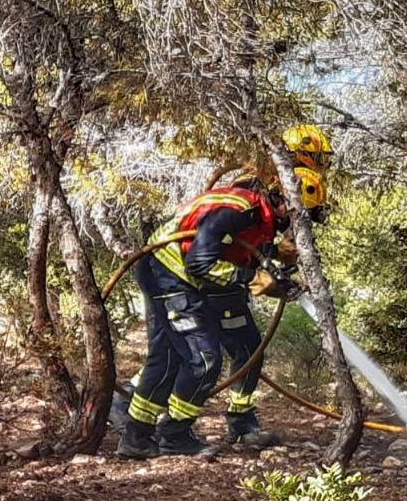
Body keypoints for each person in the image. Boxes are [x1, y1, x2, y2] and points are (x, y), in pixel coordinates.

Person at [115, 169, 326, 459]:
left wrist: (276, 259)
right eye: (297, 216)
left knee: (180, 355)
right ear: (282, 202)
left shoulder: (260, 216)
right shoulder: (238, 210)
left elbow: (238, 250)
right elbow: (199, 263)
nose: (296, 225)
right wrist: (253, 279)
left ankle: (137, 438)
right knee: (203, 358)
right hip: (168, 273)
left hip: (191, 280)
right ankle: (173, 433)